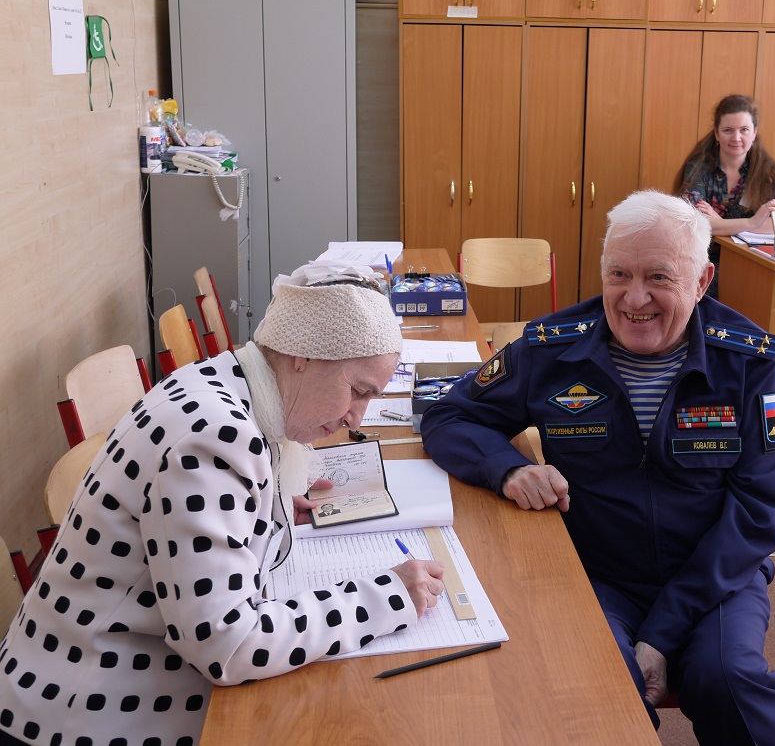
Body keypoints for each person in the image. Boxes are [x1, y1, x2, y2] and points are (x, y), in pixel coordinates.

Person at [0, 262, 445, 746]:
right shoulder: (217, 434)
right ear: (304, 355)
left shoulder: (221, 381)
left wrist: (265, 510)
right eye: (357, 392)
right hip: (80, 715)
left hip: (87, 685)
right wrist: (386, 597)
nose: (356, 418)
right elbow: (228, 646)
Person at [421, 190, 775, 745]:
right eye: (618, 274)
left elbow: (760, 511)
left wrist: (663, 631)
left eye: (659, 277)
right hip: (594, 574)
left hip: (714, 578)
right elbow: (449, 416)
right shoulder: (551, 350)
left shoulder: (747, 361)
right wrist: (507, 468)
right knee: (595, 687)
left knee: (730, 681)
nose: (634, 298)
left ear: (701, 281)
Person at [678, 94, 775, 299]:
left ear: (754, 133)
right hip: (700, 265)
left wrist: (720, 222)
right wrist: (751, 222)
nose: (736, 138)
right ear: (716, 133)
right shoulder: (699, 169)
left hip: (751, 266)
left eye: (744, 130)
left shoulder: (767, 173)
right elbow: (694, 221)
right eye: (728, 130)